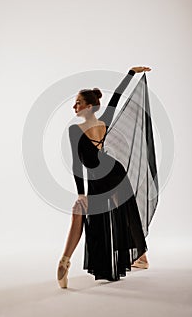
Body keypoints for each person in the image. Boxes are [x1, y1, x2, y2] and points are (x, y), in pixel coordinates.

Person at [57, 66, 152, 288]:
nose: (74, 106)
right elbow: (117, 98)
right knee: (125, 214)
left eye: (78, 102)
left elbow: (77, 165)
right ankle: (142, 256)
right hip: (115, 173)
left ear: (90, 107)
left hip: (102, 178)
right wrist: (130, 73)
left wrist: (81, 193)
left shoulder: (75, 131)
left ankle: (64, 261)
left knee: (88, 213)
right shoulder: (103, 121)